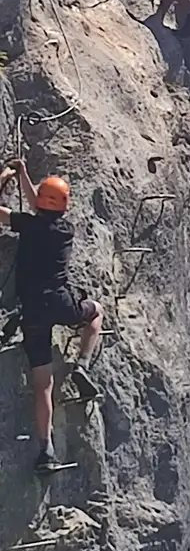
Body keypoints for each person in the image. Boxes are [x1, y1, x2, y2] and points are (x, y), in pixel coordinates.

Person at [0, 159, 103, 473]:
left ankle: (45, 450)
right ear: (64, 204)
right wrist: (24, 174)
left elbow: (29, 210)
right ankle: (82, 364)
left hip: (32, 309)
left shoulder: (28, 225)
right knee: (96, 312)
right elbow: (41, 207)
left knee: (42, 383)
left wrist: (6, 177)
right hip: (61, 302)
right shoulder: (64, 230)